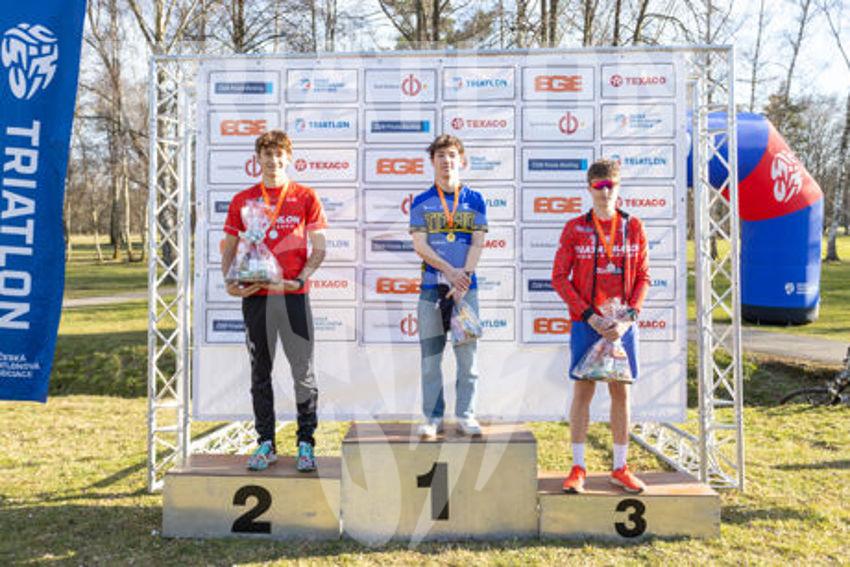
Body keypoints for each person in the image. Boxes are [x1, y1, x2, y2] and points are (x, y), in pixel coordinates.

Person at [221, 130, 327, 472]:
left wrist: (302, 277)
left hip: (294, 297)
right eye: (267, 154)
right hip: (257, 297)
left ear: (289, 157)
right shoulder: (243, 200)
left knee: (303, 374)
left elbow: (319, 247)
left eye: (279, 154)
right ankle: (265, 443)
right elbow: (229, 246)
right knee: (260, 373)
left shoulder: (305, 196)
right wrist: (230, 282)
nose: (273, 160)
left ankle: (306, 443)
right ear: (258, 159)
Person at [551, 158, 650, 493]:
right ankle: (578, 467)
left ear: (618, 188)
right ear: (589, 188)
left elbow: (644, 277)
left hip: (623, 325)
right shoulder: (575, 228)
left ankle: (620, 467)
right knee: (583, 390)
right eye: (599, 186)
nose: (605, 193)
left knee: (621, 392)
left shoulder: (634, 226)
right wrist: (588, 315)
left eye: (611, 186)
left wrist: (628, 318)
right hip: (587, 322)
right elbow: (559, 278)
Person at [409, 134, 488, 439]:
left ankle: (466, 415)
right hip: (432, 289)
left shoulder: (475, 199)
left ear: (461, 160)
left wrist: (463, 276)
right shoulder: (421, 201)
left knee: (467, 359)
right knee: (431, 360)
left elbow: (478, 242)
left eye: (452, 155)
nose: (446, 161)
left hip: (466, 290)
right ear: (432, 161)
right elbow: (420, 245)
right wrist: (450, 272)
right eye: (440, 155)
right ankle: (433, 417)